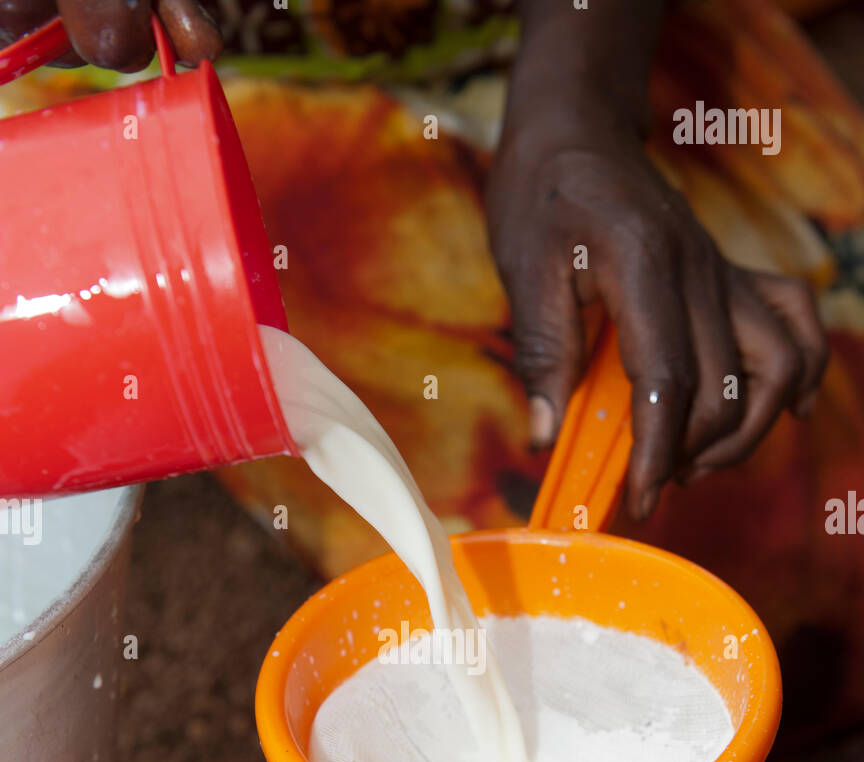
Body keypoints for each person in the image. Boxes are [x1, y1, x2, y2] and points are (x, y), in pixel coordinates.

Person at [0, 0, 828, 521]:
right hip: (128, 87)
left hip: (528, 45)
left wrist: (578, 111)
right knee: (496, 480)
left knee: (784, 466)